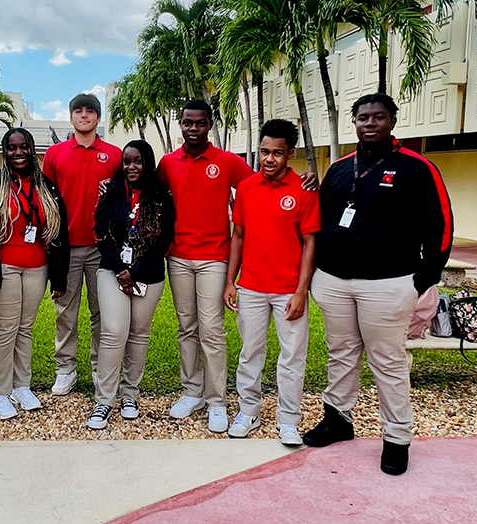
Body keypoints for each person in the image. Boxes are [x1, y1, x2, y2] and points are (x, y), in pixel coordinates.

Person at [303, 93, 453, 475]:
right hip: (335, 281)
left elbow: (441, 225)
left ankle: (397, 438)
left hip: (388, 283)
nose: (370, 123)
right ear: (353, 122)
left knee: (387, 362)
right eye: (363, 117)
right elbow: (319, 220)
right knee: (340, 353)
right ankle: (338, 420)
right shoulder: (339, 169)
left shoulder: (417, 168)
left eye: (378, 116)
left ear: (392, 121)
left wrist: (424, 278)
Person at [157, 100, 254, 433]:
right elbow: (148, 195)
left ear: (209, 125)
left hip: (215, 257)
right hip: (178, 257)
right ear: (180, 125)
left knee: (211, 330)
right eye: (187, 123)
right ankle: (192, 392)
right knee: (186, 327)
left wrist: (302, 184)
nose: (193, 128)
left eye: (199, 123)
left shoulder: (227, 162)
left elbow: (256, 188)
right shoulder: (168, 163)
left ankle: (216, 401)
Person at [223, 119, 319, 446]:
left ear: (289, 154)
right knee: (251, 352)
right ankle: (248, 411)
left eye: (277, 153)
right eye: (264, 151)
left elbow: (309, 243)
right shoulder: (247, 188)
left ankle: (288, 420)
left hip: (288, 291)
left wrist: (301, 292)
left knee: (292, 356)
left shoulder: (303, 190)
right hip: (250, 287)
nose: (269, 159)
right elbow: (238, 236)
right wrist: (230, 282)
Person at [0, 128, 69, 420]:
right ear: (5, 151)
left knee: (25, 329)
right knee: (3, 331)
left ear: (31, 149)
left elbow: (60, 232)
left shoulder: (46, 187)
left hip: (37, 267)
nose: (18, 153)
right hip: (4, 268)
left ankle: (21, 386)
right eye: (12, 148)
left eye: (23, 147)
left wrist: (59, 277)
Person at [88, 140, 175, 429]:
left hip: (148, 274)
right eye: (127, 161)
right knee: (113, 332)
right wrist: (121, 268)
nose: (132, 167)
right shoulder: (112, 192)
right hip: (111, 271)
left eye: (138, 161)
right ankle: (104, 401)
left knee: (139, 333)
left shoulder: (162, 195)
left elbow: (164, 240)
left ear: (148, 163)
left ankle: (129, 394)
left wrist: (136, 271)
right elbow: (100, 231)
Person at [42, 93, 121, 396]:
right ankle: (66, 369)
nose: (84, 115)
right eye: (79, 111)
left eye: (90, 111)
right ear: (71, 116)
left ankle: (102, 367)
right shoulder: (55, 154)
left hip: (104, 248)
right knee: (65, 312)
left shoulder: (113, 154)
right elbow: (46, 199)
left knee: (102, 312)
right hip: (67, 246)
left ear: (98, 118)